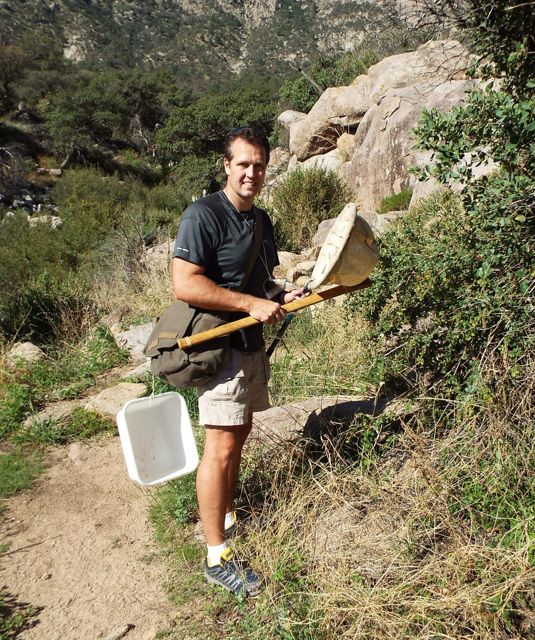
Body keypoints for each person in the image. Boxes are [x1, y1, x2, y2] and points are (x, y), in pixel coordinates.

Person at [171, 126, 306, 596]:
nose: (252, 173)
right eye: (243, 164)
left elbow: (261, 281)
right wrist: (249, 306)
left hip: (249, 345)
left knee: (240, 435)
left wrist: (281, 293)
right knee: (221, 446)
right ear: (226, 166)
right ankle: (215, 556)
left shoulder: (261, 221)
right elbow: (186, 284)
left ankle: (225, 512)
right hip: (218, 345)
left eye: (259, 165)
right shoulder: (202, 215)